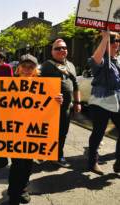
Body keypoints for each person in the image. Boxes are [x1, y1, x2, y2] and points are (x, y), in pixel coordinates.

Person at [0, 54, 63, 205]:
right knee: (18, 165)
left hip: (33, 133)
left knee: (28, 164)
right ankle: (13, 195)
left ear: (35, 69)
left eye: (31, 66)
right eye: (24, 66)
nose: (27, 69)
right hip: (15, 132)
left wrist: (58, 100)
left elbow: (49, 109)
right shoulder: (9, 85)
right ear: (18, 68)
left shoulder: (44, 86)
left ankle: (23, 189)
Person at [40, 38, 81, 167]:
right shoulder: (46, 66)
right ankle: (43, 153)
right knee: (46, 132)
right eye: (58, 48)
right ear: (52, 51)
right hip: (48, 108)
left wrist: (77, 102)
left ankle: (58, 155)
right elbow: (36, 87)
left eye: (64, 48)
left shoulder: (71, 65)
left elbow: (76, 86)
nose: (62, 50)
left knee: (62, 132)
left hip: (66, 108)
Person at [87, 31, 120, 175]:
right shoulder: (102, 59)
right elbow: (95, 60)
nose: (117, 45)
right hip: (100, 102)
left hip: (116, 102)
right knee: (98, 132)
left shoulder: (117, 60)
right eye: (114, 42)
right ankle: (92, 161)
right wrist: (105, 37)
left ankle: (119, 162)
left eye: (118, 42)